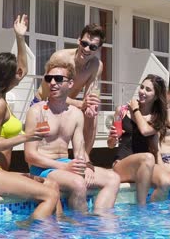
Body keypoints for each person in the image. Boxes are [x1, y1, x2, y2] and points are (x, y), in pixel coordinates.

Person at [0, 15, 62, 221]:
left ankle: (58, 229)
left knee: (53, 185)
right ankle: (28, 233)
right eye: (15, 73)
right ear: (6, 77)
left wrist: (20, 38)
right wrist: (26, 137)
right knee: (50, 194)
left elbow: (23, 68)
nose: (20, 75)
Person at [24, 60, 120, 213]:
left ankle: (102, 222)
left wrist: (85, 166)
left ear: (70, 83)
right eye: (49, 79)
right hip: (43, 168)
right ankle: (78, 230)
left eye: (58, 79)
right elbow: (30, 155)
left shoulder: (76, 114)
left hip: (66, 165)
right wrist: (64, 166)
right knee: (78, 183)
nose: (53, 83)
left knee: (113, 179)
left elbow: (79, 150)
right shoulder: (36, 111)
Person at [107, 74, 170, 204]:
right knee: (147, 157)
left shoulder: (158, 119)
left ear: (156, 96)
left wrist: (135, 110)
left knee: (166, 183)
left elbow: (147, 134)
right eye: (142, 87)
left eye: (148, 90)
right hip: (122, 164)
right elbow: (111, 145)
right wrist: (113, 138)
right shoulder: (122, 111)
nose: (142, 92)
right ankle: (142, 210)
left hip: (145, 165)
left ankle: (153, 213)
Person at [32, 24, 105, 154]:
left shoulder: (96, 65)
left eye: (93, 47)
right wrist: (80, 104)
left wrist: (91, 106)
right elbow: (50, 91)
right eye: (84, 43)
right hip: (44, 104)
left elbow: (92, 92)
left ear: (98, 49)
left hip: (66, 106)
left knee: (93, 116)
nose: (87, 49)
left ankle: (84, 159)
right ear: (78, 40)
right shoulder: (61, 58)